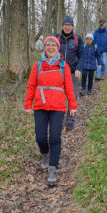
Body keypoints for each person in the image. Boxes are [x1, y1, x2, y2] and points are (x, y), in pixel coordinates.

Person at [24, 36, 77, 186]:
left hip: (58, 107)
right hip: (40, 106)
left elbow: (69, 88)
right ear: (45, 47)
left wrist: (72, 106)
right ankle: (45, 154)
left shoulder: (63, 66)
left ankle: (53, 168)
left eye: (54, 45)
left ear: (58, 47)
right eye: (48, 45)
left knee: (55, 137)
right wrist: (28, 104)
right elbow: (31, 86)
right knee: (40, 137)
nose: (51, 47)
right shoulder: (38, 65)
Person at [54, 16, 84, 131]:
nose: (67, 27)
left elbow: (82, 56)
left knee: (73, 97)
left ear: (72, 26)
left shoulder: (78, 39)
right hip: (58, 73)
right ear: (62, 26)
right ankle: (59, 120)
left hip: (72, 73)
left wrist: (79, 69)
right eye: (65, 25)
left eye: (69, 25)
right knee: (59, 97)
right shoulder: (56, 38)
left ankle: (70, 120)